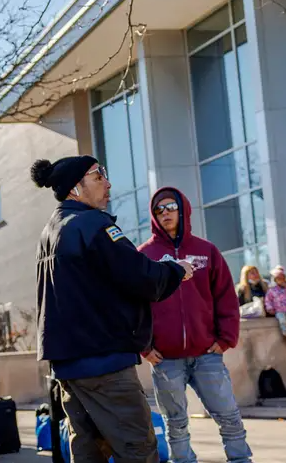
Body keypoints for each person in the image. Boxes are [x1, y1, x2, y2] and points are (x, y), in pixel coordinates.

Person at [30, 155, 193, 463]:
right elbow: (140, 276)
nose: (107, 183)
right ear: (75, 188)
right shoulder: (91, 224)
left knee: (90, 449)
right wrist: (176, 271)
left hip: (69, 366)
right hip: (103, 362)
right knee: (137, 448)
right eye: (97, 176)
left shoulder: (50, 232)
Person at [138, 187, 252, 463]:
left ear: (182, 209)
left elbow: (226, 298)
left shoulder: (206, 251)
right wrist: (145, 348)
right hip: (165, 359)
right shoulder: (144, 254)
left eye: (170, 207)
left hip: (207, 355)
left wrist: (225, 339)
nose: (165, 213)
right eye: (158, 210)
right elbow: (134, 306)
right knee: (175, 425)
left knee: (229, 417)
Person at [266, 266, 286, 337]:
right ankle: (285, 332)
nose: (281, 280)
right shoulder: (272, 290)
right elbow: (268, 300)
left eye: (282, 278)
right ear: (275, 280)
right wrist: (270, 308)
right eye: (278, 278)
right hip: (279, 310)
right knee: (282, 320)